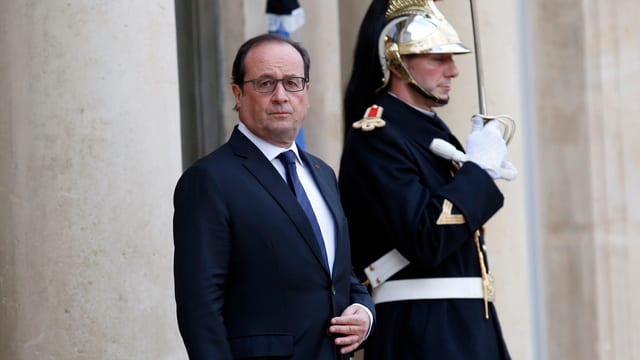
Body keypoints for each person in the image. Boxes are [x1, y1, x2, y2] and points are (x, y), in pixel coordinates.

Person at [173, 33, 375, 360]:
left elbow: (339, 275)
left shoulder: (323, 174)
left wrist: (364, 313)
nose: (281, 96)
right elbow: (200, 308)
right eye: (265, 84)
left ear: (306, 93)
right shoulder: (209, 179)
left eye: (292, 83)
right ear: (238, 94)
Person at [339, 0, 515, 359]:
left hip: (463, 328)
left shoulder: (427, 132)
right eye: (438, 58)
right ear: (397, 62)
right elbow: (427, 238)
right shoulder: (377, 136)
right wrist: (477, 172)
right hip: (421, 333)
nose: (453, 70)